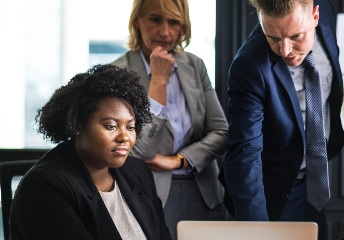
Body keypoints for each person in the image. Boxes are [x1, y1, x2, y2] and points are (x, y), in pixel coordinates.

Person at [220, 0, 344, 240]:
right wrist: (256, 232)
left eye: (296, 36)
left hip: (317, 178)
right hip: (275, 194)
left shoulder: (326, 10)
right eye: (274, 38)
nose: (285, 50)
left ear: (315, 16)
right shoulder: (249, 65)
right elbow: (245, 152)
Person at [9, 64, 172, 240]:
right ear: (78, 125)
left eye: (130, 127)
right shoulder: (44, 187)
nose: (124, 137)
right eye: (111, 126)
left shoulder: (138, 172)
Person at [112, 0, 229, 239]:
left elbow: (221, 133)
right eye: (155, 19)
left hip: (205, 192)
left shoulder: (194, 65)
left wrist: (179, 160)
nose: (165, 32)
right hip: (152, 194)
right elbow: (138, 151)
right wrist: (159, 81)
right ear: (137, 21)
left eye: (174, 22)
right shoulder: (118, 74)